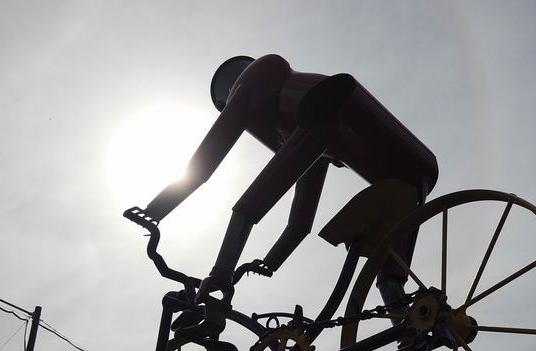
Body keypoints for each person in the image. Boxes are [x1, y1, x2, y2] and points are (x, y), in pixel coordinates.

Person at [137, 54, 439, 309]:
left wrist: (156, 210)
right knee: (392, 250)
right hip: (408, 170)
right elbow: (299, 223)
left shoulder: (254, 79)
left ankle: (220, 272)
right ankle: (406, 315)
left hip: (329, 109)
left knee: (251, 201)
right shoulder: (304, 134)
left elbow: (205, 164)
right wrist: (271, 262)